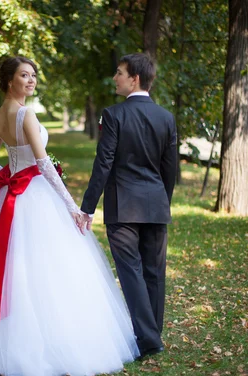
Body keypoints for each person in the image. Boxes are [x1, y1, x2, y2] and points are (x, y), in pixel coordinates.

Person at [0, 56, 139, 376]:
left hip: (9, 197)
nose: (31, 81)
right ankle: (48, 346)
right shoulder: (25, 113)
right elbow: (44, 163)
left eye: (33, 75)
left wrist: (10, 178)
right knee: (43, 268)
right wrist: (71, 207)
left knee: (7, 267)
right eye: (24, 75)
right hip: (33, 196)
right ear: (10, 81)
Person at [80, 53, 178, 360]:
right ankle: (153, 335)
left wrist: (88, 207)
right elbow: (169, 169)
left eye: (119, 73)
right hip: (155, 204)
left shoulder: (113, 115)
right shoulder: (166, 117)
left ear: (134, 78)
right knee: (154, 272)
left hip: (123, 208)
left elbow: (104, 164)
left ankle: (148, 340)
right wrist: (163, 201)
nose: (115, 78)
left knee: (132, 272)